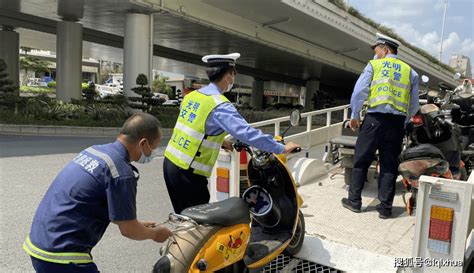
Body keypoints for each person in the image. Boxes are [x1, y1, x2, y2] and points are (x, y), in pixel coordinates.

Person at [23, 113, 172, 273]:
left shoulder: (94, 151)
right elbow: (129, 230)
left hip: (39, 243)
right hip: (62, 255)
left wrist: (138, 224)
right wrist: (155, 234)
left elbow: (97, 203)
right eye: (154, 147)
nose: (153, 152)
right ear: (143, 143)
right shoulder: (121, 172)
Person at [163, 52, 301, 213]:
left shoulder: (193, 96)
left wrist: (222, 141)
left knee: (185, 219)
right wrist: (280, 148)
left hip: (170, 164)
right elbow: (246, 132)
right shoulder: (220, 104)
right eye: (233, 74)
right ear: (227, 76)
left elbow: (196, 125)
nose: (233, 79)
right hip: (188, 173)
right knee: (197, 225)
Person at [341, 33, 419, 219]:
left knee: (361, 160)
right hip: (396, 124)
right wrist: (405, 120)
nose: (375, 54)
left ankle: (355, 202)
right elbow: (414, 103)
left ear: (385, 49)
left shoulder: (374, 65)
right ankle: (385, 208)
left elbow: (359, 91)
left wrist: (354, 115)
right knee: (389, 166)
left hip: (374, 120)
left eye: (376, 50)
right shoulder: (410, 71)